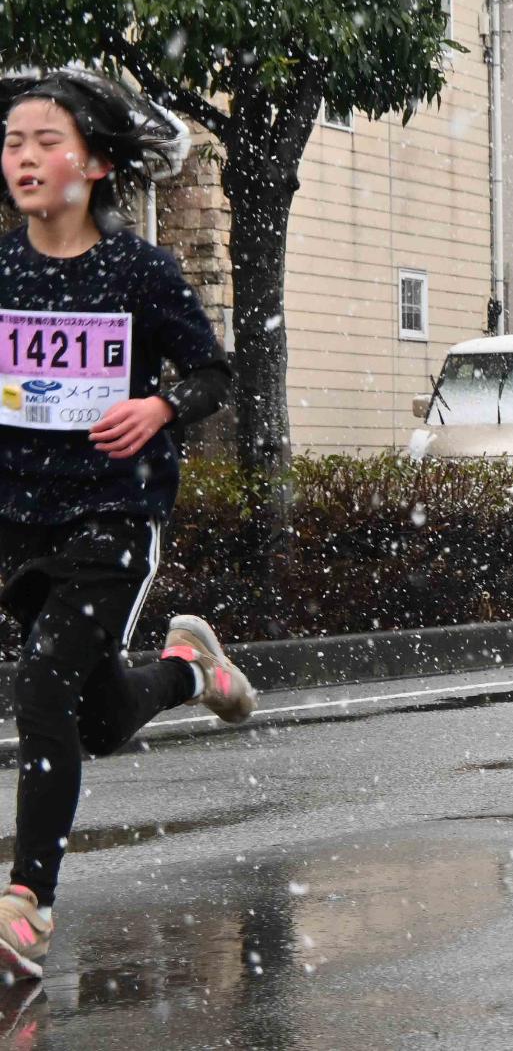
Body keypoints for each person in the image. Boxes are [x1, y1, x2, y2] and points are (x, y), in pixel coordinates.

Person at [0, 70, 253, 981]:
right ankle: (192, 667)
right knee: (93, 716)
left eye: (46, 141)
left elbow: (213, 374)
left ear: (98, 163)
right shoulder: (1, 269)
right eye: (13, 141)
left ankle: (27, 902)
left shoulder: (140, 272)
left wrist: (158, 407)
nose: (25, 157)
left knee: (39, 688)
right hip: (19, 520)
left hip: (115, 512)